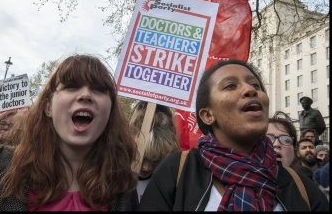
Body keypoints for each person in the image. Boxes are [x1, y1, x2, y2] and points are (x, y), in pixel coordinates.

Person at [138, 59, 329, 211]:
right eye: (230, 86)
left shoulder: (301, 187)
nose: (250, 90)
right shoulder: (177, 171)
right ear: (207, 115)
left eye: (256, 85)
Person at [0, 54, 139, 211]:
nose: (85, 95)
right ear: (48, 107)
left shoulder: (124, 186)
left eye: (98, 89)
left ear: (110, 110)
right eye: (71, 86)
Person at [129, 100, 180, 202]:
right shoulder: (112, 178)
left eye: (157, 160)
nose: (147, 167)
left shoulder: (171, 184)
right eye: (143, 157)